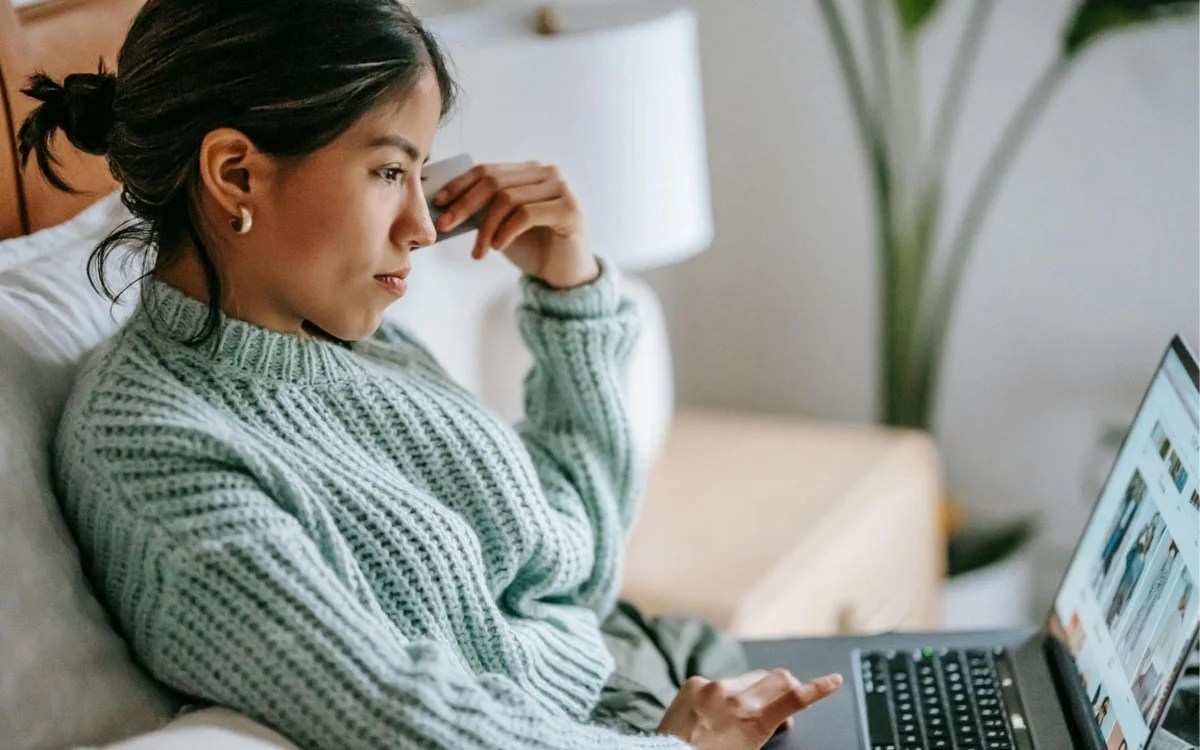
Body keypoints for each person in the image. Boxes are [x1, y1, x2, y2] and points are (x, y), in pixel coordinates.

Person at [20, 2, 842, 749]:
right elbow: (398, 716)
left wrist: (572, 295)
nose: (419, 225)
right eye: (387, 172)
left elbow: (574, 570)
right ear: (235, 173)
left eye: (422, 172)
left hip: (650, 671)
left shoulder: (354, 343)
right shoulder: (149, 450)